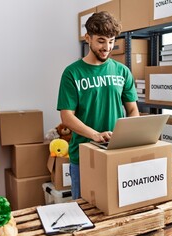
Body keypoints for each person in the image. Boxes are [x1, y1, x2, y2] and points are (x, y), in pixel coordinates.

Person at [57, 11, 139, 199]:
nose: (107, 47)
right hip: (85, 156)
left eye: (111, 41)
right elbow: (66, 116)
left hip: (117, 151)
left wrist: (129, 134)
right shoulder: (72, 73)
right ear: (88, 38)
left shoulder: (122, 71)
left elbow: (133, 109)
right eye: (101, 41)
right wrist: (96, 135)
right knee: (85, 211)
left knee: (117, 209)